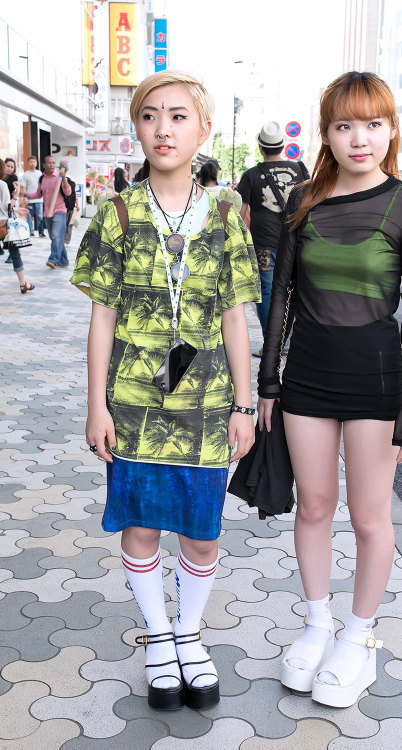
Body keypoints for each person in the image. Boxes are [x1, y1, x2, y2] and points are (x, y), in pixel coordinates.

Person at [71, 70, 260, 711]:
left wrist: (244, 402)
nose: (163, 128)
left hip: (208, 403)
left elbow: (236, 312)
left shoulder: (229, 213)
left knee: (202, 533)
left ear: (203, 130)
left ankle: (189, 635)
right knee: (143, 527)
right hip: (133, 401)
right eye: (150, 116)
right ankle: (158, 638)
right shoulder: (115, 212)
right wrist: (95, 404)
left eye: (179, 116)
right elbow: (101, 315)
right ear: (136, 129)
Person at [257, 71, 402, 709]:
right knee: (313, 505)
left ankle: (358, 639)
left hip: (377, 380)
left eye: (373, 124)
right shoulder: (304, 199)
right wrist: (268, 380)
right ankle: (317, 625)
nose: (360, 138)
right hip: (305, 375)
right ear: (327, 132)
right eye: (344, 125)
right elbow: (281, 295)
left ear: (390, 129)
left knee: (368, 517)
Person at [237, 121, 309, 357]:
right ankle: (287, 341)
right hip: (296, 240)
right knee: (294, 290)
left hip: (264, 244)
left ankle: (272, 345)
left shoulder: (251, 175)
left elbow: (239, 212)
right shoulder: (300, 169)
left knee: (267, 291)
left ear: (260, 148)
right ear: (283, 145)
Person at [22, 155, 72, 269]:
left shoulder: (60, 176)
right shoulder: (42, 178)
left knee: (56, 235)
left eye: (53, 163)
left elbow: (68, 192)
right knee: (55, 236)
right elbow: (38, 194)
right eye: (49, 163)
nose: (52, 165)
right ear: (44, 165)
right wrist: (25, 194)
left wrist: (64, 178)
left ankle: (53, 259)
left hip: (60, 210)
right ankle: (63, 260)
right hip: (47, 212)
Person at [0, 159, 35, 294]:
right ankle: (23, 284)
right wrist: (15, 194)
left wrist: (16, 210)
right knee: (14, 253)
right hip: (3, 225)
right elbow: (6, 206)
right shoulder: (2, 185)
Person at [20, 155, 45, 238]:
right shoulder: (26, 175)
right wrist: (24, 198)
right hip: (29, 200)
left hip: (39, 199)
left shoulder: (40, 173)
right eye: (30, 162)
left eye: (34, 161)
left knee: (40, 216)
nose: (32, 163)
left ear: (36, 163)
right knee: (29, 217)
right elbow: (23, 187)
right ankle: (31, 232)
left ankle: (41, 232)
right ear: (28, 163)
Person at [59, 161, 79, 245]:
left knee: (63, 224)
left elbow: (73, 193)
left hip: (65, 205)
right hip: (69, 205)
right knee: (68, 225)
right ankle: (65, 240)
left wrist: (77, 204)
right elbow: (75, 193)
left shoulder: (59, 179)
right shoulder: (72, 179)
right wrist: (77, 205)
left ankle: (63, 240)